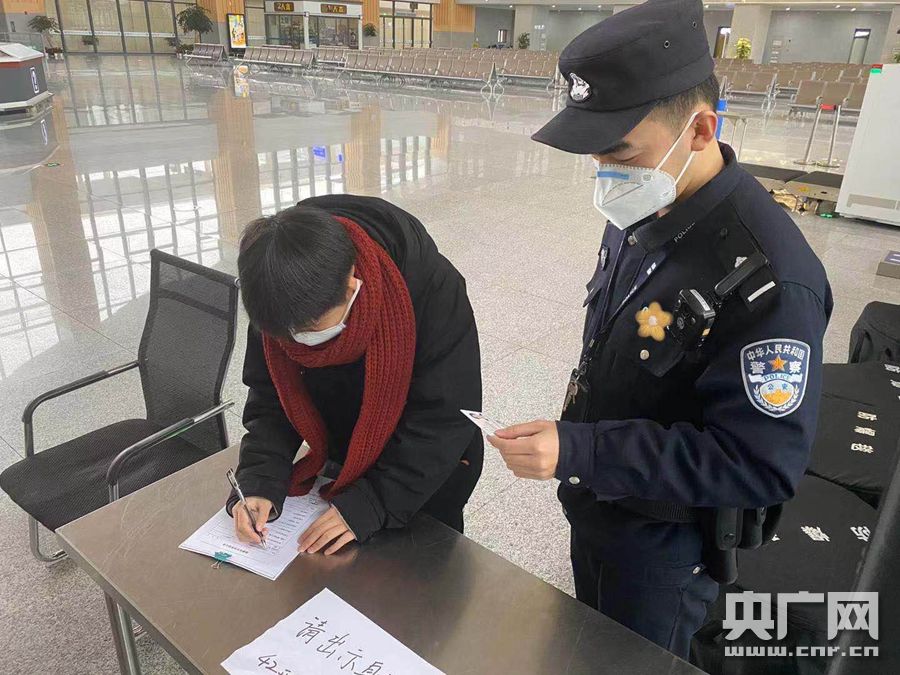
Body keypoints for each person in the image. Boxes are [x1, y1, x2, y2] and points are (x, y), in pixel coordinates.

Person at [488, 0, 832, 659]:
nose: (605, 172)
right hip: (598, 503)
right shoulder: (650, 200)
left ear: (700, 130)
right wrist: (580, 453)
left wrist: (584, 450)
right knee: (588, 646)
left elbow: (759, 464)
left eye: (619, 151)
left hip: (665, 548)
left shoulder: (770, 281)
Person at [228, 195, 483, 555]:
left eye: (309, 329)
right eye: (287, 336)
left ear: (351, 288)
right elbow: (272, 395)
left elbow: (445, 415)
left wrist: (373, 502)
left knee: (424, 572)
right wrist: (259, 479)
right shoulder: (277, 291)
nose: (297, 341)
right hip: (343, 462)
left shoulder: (431, 288)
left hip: (423, 474)